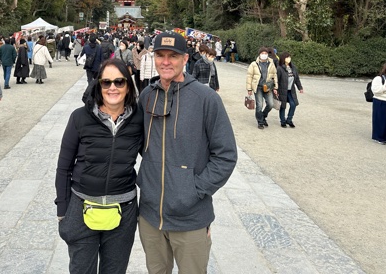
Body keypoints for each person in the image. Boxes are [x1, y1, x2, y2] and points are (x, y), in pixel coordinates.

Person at [137, 32, 237, 273]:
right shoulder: (147, 96)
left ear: (185, 59)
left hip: (190, 218)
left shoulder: (206, 99)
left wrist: (194, 190)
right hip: (150, 216)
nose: (166, 62)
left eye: (173, 56)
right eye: (160, 55)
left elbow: (226, 155)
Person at [55, 58, 142, 274]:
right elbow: (64, 167)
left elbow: (156, 156)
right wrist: (63, 210)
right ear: (98, 85)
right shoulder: (80, 117)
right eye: (106, 82)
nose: (113, 87)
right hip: (82, 205)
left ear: (128, 85)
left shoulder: (140, 119)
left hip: (123, 210)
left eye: (119, 82)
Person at [246, 47, 278, 129]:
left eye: (265, 53)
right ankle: (260, 121)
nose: (264, 55)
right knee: (259, 105)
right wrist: (249, 89)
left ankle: (263, 116)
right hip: (258, 87)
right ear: (259, 54)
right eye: (262, 53)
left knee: (270, 104)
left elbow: (274, 75)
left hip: (268, 87)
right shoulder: (254, 64)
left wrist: (275, 87)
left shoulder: (271, 63)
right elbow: (249, 76)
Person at [276, 52, 304, 128]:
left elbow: (297, 79)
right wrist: (276, 90)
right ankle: (283, 121)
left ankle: (289, 119)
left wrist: (300, 87)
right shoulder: (280, 68)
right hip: (282, 90)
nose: (288, 58)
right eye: (287, 57)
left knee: (293, 104)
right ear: (283, 58)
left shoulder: (293, 68)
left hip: (291, 90)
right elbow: (276, 80)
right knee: (283, 106)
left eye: (289, 57)